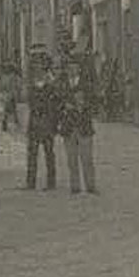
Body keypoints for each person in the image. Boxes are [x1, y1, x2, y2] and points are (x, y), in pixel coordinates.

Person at [58, 57, 98, 194]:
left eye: (74, 68)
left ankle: (90, 186)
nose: (72, 71)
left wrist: (83, 106)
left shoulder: (87, 84)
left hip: (84, 125)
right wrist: (63, 106)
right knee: (71, 159)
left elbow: (94, 102)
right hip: (68, 126)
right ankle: (75, 187)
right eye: (69, 68)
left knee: (87, 158)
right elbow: (55, 102)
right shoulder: (61, 84)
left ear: (79, 70)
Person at [25, 53, 59, 191]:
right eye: (35, 66)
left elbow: (54, 105)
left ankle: (51, 182)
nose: (37, 69)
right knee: (32, 154)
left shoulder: (51, 84)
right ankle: (30, 182)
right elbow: (30, 102)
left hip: (47, 122)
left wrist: (53, 123)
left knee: (49, 153)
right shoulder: (32, 84)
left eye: (40, 66)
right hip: (34, 122)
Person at [0, 64, 21, 132]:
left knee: (8, 109)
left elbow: (3, 86)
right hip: (12, 95)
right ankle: (13, 122)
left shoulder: (5, 77)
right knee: (12, 109)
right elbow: (18, 85)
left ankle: (8, 122)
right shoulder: (15, 77)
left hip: (7, 95)